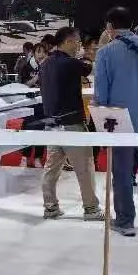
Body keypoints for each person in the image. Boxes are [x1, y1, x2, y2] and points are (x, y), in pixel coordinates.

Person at [40, 27, 103, 221]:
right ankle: (91, 209)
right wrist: (99, 49)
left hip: (51, 125)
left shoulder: (45, 63)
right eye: (77, 42)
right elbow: (95, 68)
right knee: (85, 168)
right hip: (72, 124)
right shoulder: (71, 63)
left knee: (51, 169)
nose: (79, 46)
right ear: (68, 41)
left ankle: (50, 208)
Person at [94, 7, 138, 236]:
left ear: (109, 26)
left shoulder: (106, 53)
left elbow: (101, 95)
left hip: (121, 121)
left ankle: (125, 222)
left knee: (123, 173)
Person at [19, 42, 47, 168]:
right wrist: (36, 77)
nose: (41, 54)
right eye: (39, 51)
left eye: (44, 52)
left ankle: (37, 157)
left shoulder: (48, 67)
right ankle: (24, 157)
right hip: (30, 103)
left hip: (44, 102)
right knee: (28, 128)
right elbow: (24, 85)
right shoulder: (27, 67)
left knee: (42, 129)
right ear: (34, 53)